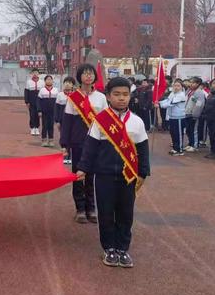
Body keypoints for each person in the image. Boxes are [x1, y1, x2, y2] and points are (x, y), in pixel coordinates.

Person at [77, 77, 150, 268]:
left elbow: (143, 150)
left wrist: (143, 172)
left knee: (126, 213)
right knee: (106, 213)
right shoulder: (100, 121)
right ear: (108, 96)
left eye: (125, 94)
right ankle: (109, 248)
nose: (121, 98)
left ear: (130, 96)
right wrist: (83, 168)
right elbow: (90, 148)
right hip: (104, 176)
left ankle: (122, 249)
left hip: (128, 177)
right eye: (116, 94)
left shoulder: (137, 122)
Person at [60, 63, 108, 224]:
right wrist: (64, 144)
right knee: (78, 175)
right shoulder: (73, 98)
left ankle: (91, 208)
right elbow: (66, 122)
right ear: (79, 77)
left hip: (96, 143)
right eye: (85, 73)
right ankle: (80, 208)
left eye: (91, 73)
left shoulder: (101, 98)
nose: (88, 76)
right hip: (78, 142)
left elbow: (107, 122)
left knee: (92, 175)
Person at [159, 79, 186, 156]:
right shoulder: (172, 93)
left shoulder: (181, 95)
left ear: (181, 87)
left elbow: (171, 103)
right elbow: (167, 100)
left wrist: (160, 105)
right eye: (175, 85)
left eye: (178, 86)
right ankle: (175, 148)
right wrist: (159, 102)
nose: (176, 87)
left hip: (179, 117)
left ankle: (180, 150)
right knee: (173, 133)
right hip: (172, 117)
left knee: (178, 134)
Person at [55, 76, 76, 164]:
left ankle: (71, 157)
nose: (67, 84)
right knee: (64, 138)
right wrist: (57, 121)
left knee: (72, 138)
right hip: (63, 121)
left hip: (74, 121)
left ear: (73, 85)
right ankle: (65, 156)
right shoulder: (60, 95)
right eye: (66, 82)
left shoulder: (76, 95)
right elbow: (56, 109)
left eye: (70, 83)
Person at [184, 76, 206, 152]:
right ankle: (190, 143)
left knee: (193, 130)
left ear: (197, 83)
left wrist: (195, 114)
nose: (191, 84)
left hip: (193, 114)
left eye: (192, 82)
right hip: (187, 113)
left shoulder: (199, 92)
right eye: (190, 82)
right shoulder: (190, 91)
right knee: (188, 130)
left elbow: (199, 104)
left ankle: (194, 145)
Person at [37, 75, 58, 147]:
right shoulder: (42, 90)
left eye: (50, 79)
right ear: (45, 81)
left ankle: (51, 140)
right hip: (44, 112)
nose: (49, 81)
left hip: (53, 112)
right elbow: (38, 101)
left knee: (51, 126)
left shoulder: (56, 90)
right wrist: (39, 110)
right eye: (47, 79)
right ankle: (44, 140)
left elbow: (58, 102)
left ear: (52, 81)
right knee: (44, 126)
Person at [24, 68, 44, 136]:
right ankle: (32, 128)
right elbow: (26, 92)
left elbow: (43, 92)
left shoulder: (42, 82)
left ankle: (37, 128)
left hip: (39, 102)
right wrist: (27, 101)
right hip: (31, 101)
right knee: (32, 115)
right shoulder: (28, 82)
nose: (35, 74)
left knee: (38, 115)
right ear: (31, 74)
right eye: (34, 72)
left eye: (36, 72)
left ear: (38, 74)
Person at [202, 78, 215, 159]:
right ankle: (213, 151)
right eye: (213, 83)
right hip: (209, 119)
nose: (214, 85)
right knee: (212, 135)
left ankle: (214, 152)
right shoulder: (210, 95)